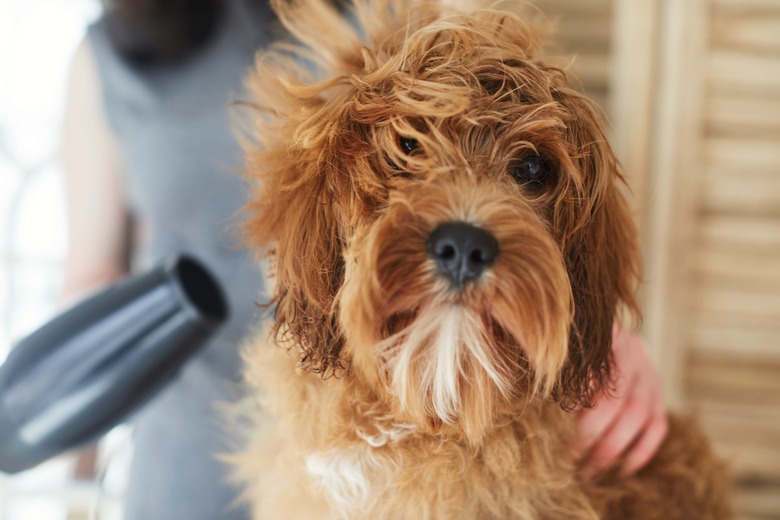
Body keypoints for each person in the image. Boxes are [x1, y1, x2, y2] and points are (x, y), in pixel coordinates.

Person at [60, 1, 667, 518]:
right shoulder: (111, 56)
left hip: (440, 454)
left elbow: (527, 174)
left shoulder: (427, 14)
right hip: (182, 472)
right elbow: (93, 277)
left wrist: (604, 338)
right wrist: (68, 457)